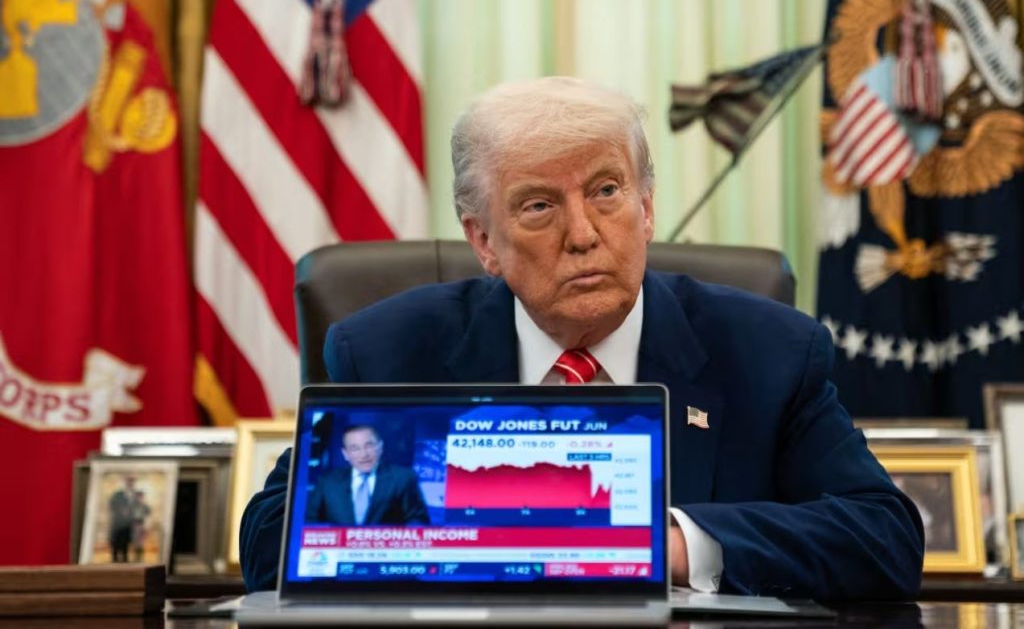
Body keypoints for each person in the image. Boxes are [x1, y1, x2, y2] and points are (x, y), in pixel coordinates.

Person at [240, 77, 924, 598]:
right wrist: (480, 535)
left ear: (646, 208)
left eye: (606, 191)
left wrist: (662, 544)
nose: (584, 233)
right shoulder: (388, 351)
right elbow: (269, 540)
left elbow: (884, 537)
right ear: (483, 240)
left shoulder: (767, 351)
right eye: (540, 205)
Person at [305, 424, 430, 526]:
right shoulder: (328, 482)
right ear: (345, 454)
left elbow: (418, 520)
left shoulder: (402, 478)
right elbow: (310, 521)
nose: (364, 455)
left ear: (380, 447)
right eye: (355, 449)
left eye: (369, 446)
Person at [107, 476, 135, 562]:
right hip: (118, 523)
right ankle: (114, 559)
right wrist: (121, 510)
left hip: (128, 523)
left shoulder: (134, 494)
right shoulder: (118, 494)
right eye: (128, 482)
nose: (130, 484)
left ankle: (125, 560)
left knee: (125, 543)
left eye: (131, 482)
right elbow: (112, 504)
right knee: (116, 541)